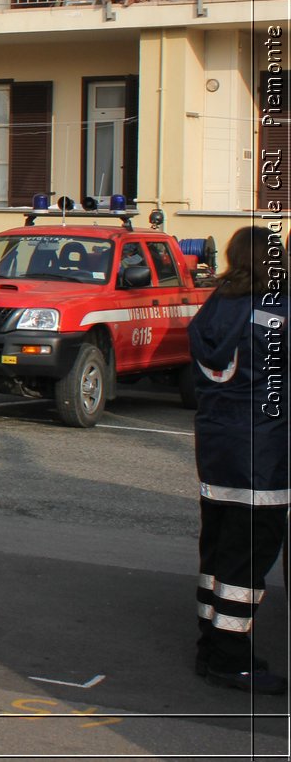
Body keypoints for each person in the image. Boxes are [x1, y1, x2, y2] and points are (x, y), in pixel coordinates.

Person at [190, 225, 289, 694]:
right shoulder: (277, 314)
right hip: (263, 458)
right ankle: (231, 661)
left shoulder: (214, 306)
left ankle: (210, 644)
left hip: (216, 451)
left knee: (217, 551)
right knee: (246, 565)